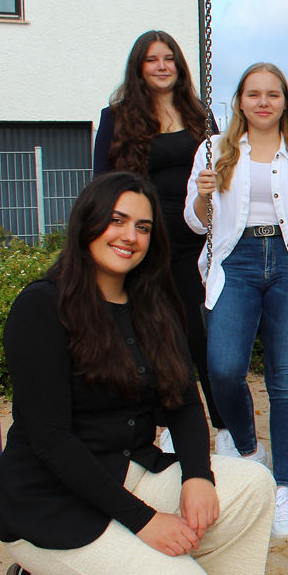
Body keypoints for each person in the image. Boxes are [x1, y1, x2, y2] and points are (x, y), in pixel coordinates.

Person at [0, 172, 275, 575]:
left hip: (129, 472)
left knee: (251, 485)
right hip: (52, 501)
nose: (129, 236)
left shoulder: (152, 303)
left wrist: (198, 476)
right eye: (117, 220)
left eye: (143, 227)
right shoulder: (43, 307)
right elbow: (52, 440)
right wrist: (144, 523)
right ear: (88, 223)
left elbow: (184, 401)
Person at [184, 62, 288, 539]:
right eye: (253, 94)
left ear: (285, 101)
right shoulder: (214, 151)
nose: (263, 102)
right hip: (237, 260)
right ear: (239, 101)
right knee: (224, 368)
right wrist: (205, 196)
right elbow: (197, 223)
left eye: (273, 94)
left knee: (286, 383)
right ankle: (252, 449)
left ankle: (282, 490)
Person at [94, 30, 225, 448]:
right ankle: (166, 427)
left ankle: (224, 427)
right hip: (142, 243)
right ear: (139, 67)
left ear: (179, 65)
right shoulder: (117, 117)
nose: (162, 66)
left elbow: (226, 170)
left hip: (192, 241)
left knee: (200, 336)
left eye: (169, 58)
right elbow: (102, 182)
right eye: (152, 59)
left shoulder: (199, 116)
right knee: (151, 333)